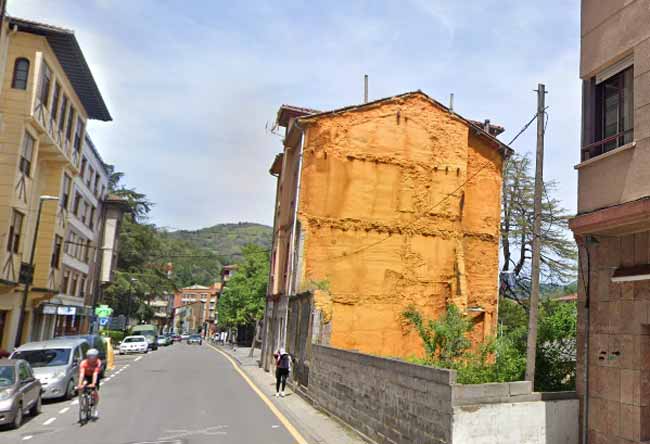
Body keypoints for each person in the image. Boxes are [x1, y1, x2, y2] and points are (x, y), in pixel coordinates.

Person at [77, 348, 102, 418]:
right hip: (86, 375)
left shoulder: (98, 362)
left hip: (94, 376)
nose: (91, 359)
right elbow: (82, 374)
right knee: (81, 388)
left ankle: (95, 408)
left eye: (93, 357)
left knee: (94, 391)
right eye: (90, 357)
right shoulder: (83, 363)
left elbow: (95, 374)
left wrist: (93, 383)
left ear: (96, 357)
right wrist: (80, 384)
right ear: (87, 357)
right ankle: (82, 406)